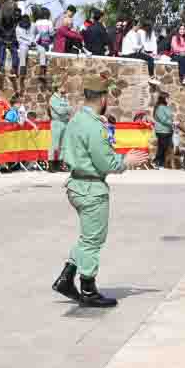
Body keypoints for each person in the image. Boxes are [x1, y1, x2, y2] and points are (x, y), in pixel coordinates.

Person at [51, 85, 123, 308]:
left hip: (76, 183)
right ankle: (88, 289)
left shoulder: (76, 119)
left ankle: (66, 278)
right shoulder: (93, 126)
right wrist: (126, 161)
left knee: (87, 238)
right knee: (93, 241)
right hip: (91, 187)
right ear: (102, 99)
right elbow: (106, 163)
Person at [150, 90, 175, 170]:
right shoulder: (160, 108)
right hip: (162, 131)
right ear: (163, 98)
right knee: (162, 148)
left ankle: (161, 164)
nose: (169, 99)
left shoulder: (166, 107)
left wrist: (173, 122)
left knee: (165, 148)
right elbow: (163, 119)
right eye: (167, 98)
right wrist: (172, 123)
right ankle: (155, 162)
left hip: (168, 130)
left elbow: (169, 117)